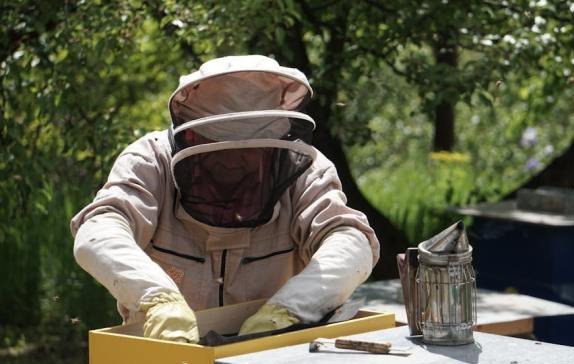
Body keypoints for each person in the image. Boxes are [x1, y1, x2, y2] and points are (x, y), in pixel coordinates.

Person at [71, 55, 379, 344]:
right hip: (161, 355)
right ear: (191, 139)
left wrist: (288, 310)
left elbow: (351, 241)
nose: (233, 164)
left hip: (271, 356)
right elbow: (99, 232)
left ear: (273, 146)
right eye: (220, 150)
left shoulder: (306, 170)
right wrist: (158, 298)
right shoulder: (150, 161)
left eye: (248, 153)